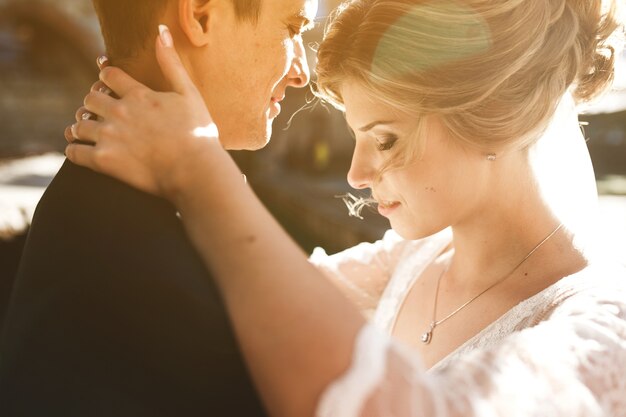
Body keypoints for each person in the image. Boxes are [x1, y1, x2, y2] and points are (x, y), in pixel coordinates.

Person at [66, 0, 626, 416]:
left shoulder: (602, 330)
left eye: (384, 140)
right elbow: (243, 303)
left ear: (496, 117)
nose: (356, 175)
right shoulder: (406, 261)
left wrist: (200, 167)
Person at [0, 0, 316, 415]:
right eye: (291, 29)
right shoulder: (142, 262)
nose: (302, 72)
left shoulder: (103, 200)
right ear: (200, 16)